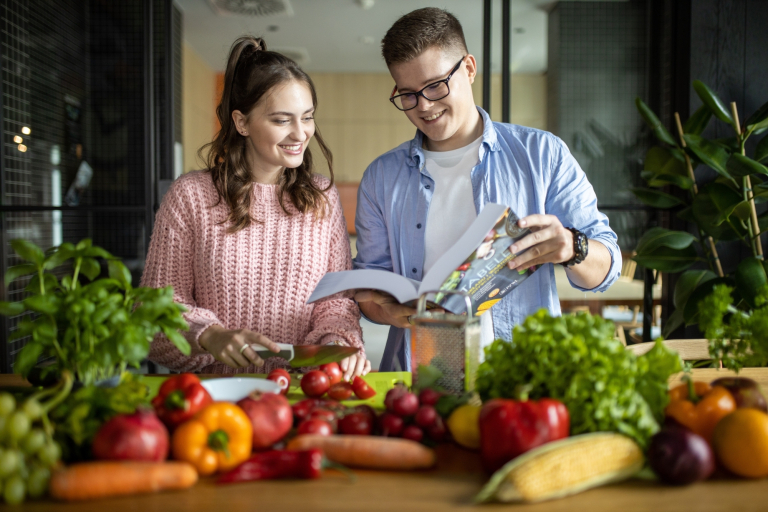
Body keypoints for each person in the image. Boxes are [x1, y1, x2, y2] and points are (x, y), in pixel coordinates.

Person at [353, 8, 621, 371]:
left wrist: (573, 247)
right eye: (408, 94)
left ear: (468, 68)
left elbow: (607, 269)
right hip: (420, 380)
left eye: (435, 85)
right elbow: (369, 294)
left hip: (522, 377)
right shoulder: (381, 177)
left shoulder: (543, 154)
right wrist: (388, 310)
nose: (424, 106)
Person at [142, 36, 369, 378]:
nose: (300, 134)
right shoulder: (190, 195)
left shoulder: (322, 196)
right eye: (281, 120)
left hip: (300, 391)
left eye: (307, 117)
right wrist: (209, 336)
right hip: (213, 396)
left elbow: (336, 303)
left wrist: (336, 342)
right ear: (242, 122)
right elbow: (154, 312)